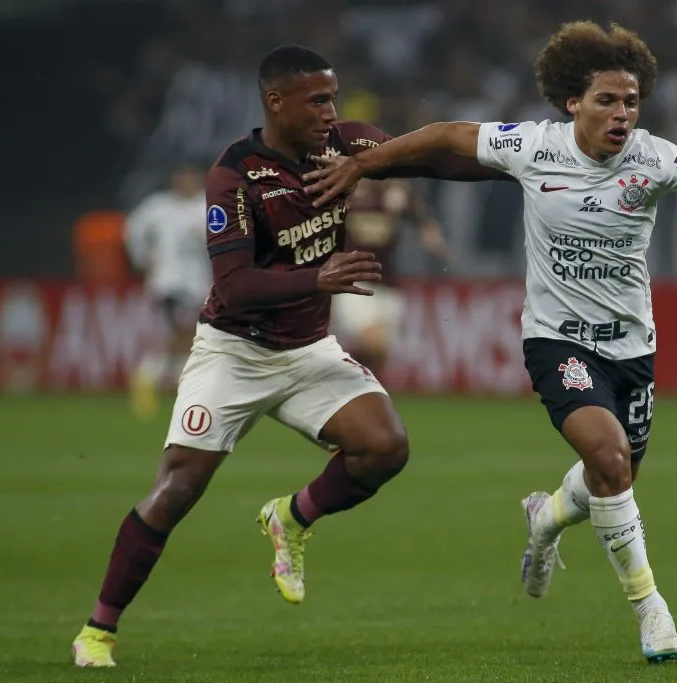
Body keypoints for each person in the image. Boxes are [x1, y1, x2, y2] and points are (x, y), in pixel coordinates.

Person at [302, 21, 677, 664]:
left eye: (631, 102)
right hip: (557, 342)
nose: (622, 114)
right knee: (609, 460)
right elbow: (447, 136)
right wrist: (363, 163)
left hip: (632, 347)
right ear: (572, 102)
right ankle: (651, 609)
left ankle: (546, 518)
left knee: (614, 476)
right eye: (607, 100)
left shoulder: (655, 158)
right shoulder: (532, 146)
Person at [71, 44, 509, 668]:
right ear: (276, 101)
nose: (332, 111)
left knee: (386, 447)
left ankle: (292, 516)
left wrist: (522, 163)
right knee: (176, 491)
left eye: (334, 97)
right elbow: (235, 287)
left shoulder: (347, 146)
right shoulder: (236, 174)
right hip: (234, 353)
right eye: (318, 99)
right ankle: (98, 630)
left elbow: (432, 162)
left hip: (307, 351)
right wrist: (319, 278)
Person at [332, 177, 448, 375]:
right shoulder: (343, 191)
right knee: (373, 340)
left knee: (382, 352)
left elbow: (419, 215)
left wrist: (430, 233)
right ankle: (352, 385)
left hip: (387, 284)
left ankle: (363, 392)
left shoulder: (395, 192)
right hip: (352, 283)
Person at [123, 162, 211, 419]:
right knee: (184, 335)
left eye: (192, 178)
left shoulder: (207, 205)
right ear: (175, 180)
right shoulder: (158, 207)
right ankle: (147, 378)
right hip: (169, 284)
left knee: (190, 338)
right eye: (184, 178)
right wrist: (143, 258)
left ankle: (170, 384)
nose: (188, 183)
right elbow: (131, 230)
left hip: (198, 284)